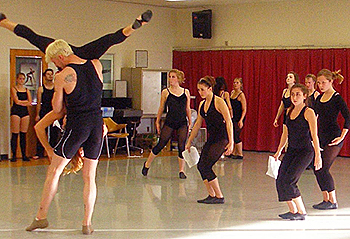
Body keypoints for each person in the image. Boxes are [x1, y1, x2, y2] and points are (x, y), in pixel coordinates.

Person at [25, 39, 104, 235]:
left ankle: (40, 217)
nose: (55, 66)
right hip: (97, 123)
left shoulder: (64, 75)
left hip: (77, 125)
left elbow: (58, 108)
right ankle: (87, 223)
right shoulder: (96, 64)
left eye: (54, 62)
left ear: (60, 57)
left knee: (54, 172)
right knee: (89, 177)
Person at [0, 10, 152, 61]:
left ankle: (4, 22)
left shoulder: (59, 56)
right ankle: (133, 27)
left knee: (33, 37)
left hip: (67, 52)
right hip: (81, 55)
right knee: (108, 40)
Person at [273, 84, 322, 220]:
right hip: (291, 150)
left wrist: (318, 155)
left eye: (298, 94)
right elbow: (285, 133)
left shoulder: (308, 112)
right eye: (293, 94)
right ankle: (292, 210)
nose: (294, 97)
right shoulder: (288, 111)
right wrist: (279, 151)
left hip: (305, 152)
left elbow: (314, 135)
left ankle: (301, 211)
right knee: (280, 179)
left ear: (304, 96)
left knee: (289, 180)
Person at [185, 76, 233, 204]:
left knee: (207, 166)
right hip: (212, 138)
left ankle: (219, 196)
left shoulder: (219, 102)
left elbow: (229, 122)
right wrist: (189, 141)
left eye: (202, 90)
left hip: (222, 138)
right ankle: (211, 194)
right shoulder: (202, 104)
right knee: (201, 166)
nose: (200, 92)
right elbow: (197, 124)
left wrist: (231, 142)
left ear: (210, 89)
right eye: (199, 90)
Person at [142, 69, 192, 179]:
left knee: (181, 145)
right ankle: (147, 164)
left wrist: (190, 121)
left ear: (178, 78)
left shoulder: (186, 92)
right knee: (161, 144)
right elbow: (161, 107)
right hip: (170, 121)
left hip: (182, 122)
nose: (170, 79)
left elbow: (187, 108)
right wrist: (157, 121)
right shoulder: (166, 92)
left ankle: (181, 170)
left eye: (173, 77)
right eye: (170, 76)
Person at [312, 69, 350, 210]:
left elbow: (348, 117)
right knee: (317, 168)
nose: (320, 85)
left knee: (324, 168)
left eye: (323, 82)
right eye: (319, 83)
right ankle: (325, 199)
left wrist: (342, 136)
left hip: (334, 137)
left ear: (330, 82)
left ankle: (333, 201)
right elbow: (314, 117)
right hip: (320, 137)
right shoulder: (318, 98)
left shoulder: (337, 98)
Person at [34, 68, 59, 159]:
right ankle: (39, 152)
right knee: (42, 131)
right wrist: (37, 114)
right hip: (44, 111)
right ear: (44, 76)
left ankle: (54, 152)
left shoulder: (56, 87)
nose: (50, 76)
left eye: (51, 74)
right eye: (48, 74)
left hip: (54, 111)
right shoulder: (41, 89)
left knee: (54, 132)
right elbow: (38, 103)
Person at [10, 72, 32, 162]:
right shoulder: (14, 88)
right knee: (15, 134)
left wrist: (22, 102)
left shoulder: (27, 90)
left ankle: (24, 155)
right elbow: (16, 101)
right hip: (16, 111)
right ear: (17, 79)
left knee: (23, 134)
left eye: (23, 79)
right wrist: (24, 102)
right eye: (20, 78)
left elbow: (30, 102)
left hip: (24, 112)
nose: (21, 80)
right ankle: (14, 155)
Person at [229, 77, 247, 159]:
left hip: (238, 118)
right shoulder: (232, 93)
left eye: (237, 83)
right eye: (234, 82)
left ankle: (240, 154)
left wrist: (241, 120)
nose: (235, 84)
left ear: (241, 85)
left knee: (236, 135)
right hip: (232, 117)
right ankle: (234, 152)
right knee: (232, 134)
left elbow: (244, 109)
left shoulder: (241, 95)